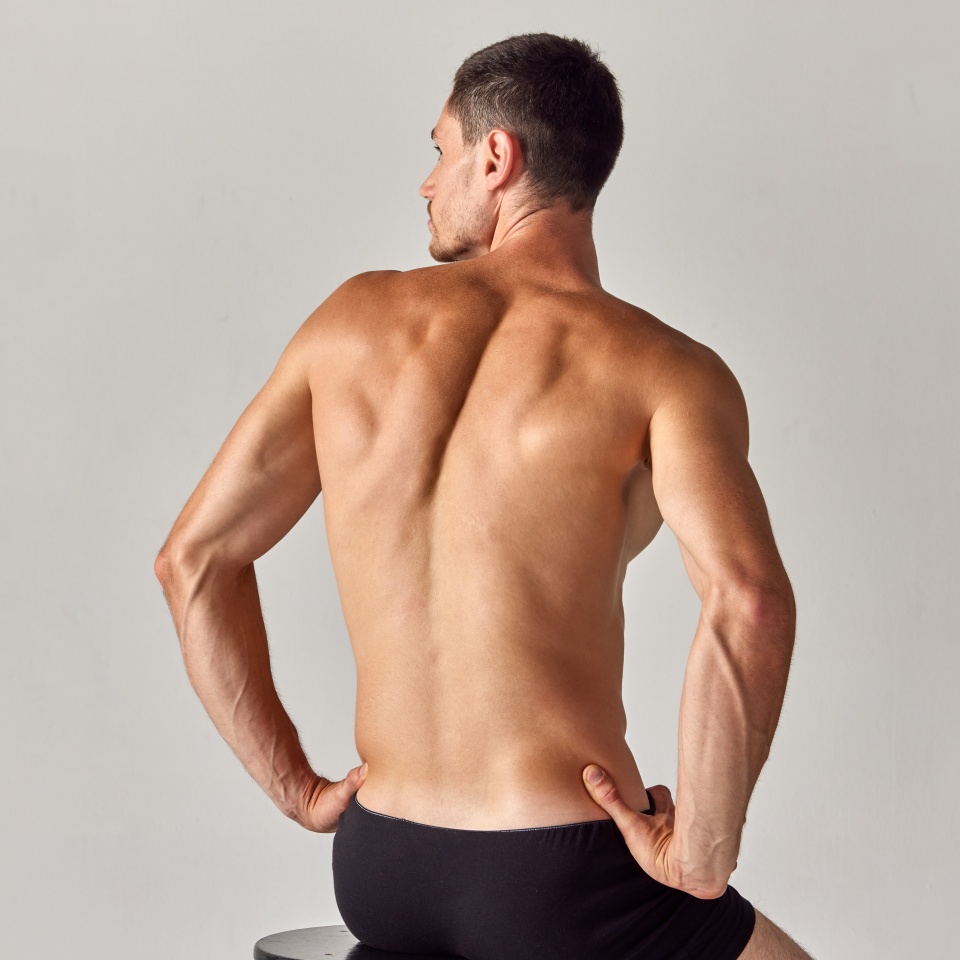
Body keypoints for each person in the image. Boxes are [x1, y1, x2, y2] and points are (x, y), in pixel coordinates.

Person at [155, 31, 814, 960]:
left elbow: (192, 561)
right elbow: (747, 601)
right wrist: (700, 851)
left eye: (439, 149)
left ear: (496, 157)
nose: (428, 182)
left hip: (379, 865)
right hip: (562, 874)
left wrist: (300, 790)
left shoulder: (347, 324)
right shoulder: (665, 371)